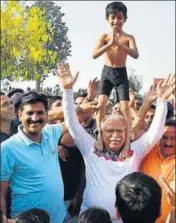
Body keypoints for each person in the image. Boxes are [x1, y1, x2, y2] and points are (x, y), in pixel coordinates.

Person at [56, 63, 174, 223]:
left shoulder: (135, 150)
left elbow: (156, 132)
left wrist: (162, 101)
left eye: (120, 131)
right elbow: (72, 124)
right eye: (110, 131)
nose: (115, 136)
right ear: (101, 132)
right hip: (90, 219)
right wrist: (67, 90)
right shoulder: (90, 147)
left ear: (127, 132)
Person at [1, 91, 67, 223]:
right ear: (19, 115)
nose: (35, 118)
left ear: (47, 115)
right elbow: (1, 193)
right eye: (29, 113)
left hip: (58, 218)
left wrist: (68, 89)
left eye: (40, 113)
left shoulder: (51, 132)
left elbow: (74, 120)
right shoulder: (8, 148)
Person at [92, 1, 139, 158]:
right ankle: (99, 135)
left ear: (125, 19)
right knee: (101, 105)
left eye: (120, 17)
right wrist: (110, 43)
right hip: (107, 72)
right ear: (107, 19)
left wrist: (118, 43)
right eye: (113, 17)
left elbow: (135, 54)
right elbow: (94, 54)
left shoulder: (128, 37)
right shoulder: (104, 37)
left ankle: (126, 144)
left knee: (125, 108)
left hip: (121, 73)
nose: (116, 21)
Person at [140, 118, 176, 223]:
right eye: (164, 137)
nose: (168, 142)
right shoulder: (147, 150)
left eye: (173, 138)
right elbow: (137, 128)